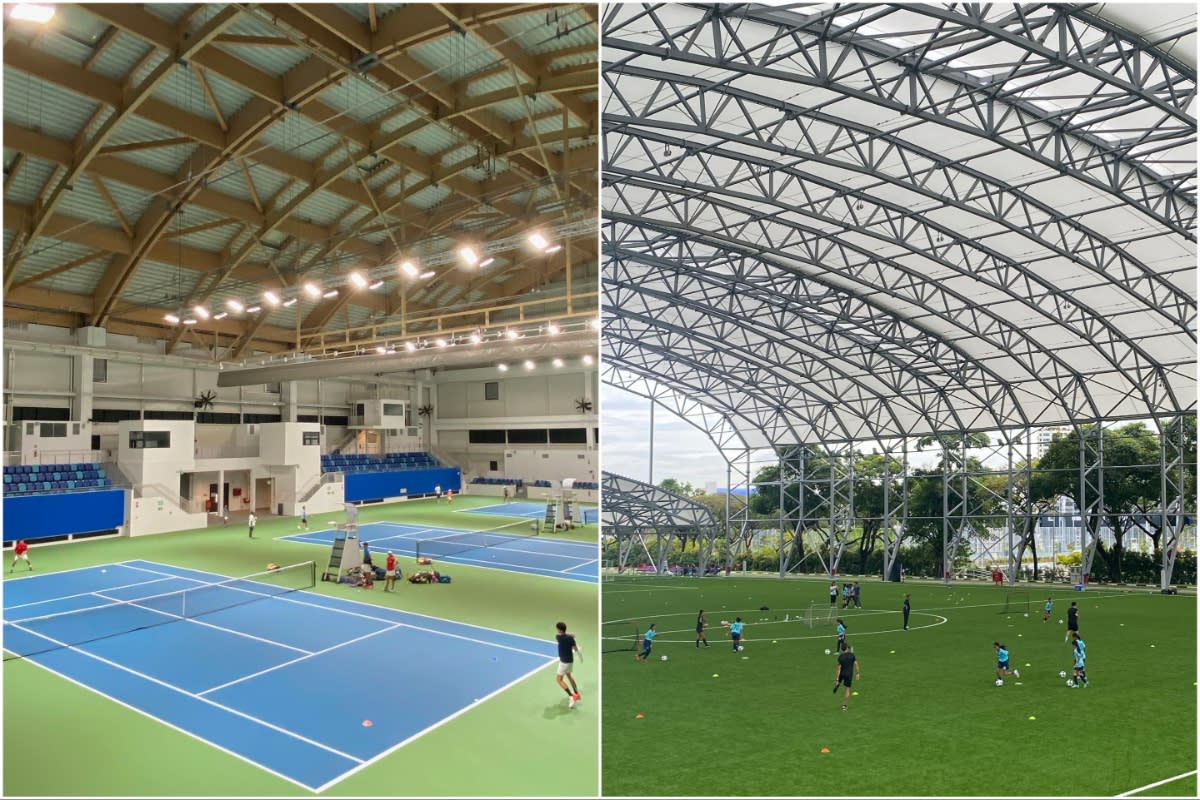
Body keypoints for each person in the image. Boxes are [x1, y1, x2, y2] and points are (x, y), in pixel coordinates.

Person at [555, 621, 583, 708]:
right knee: (569, 676)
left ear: (559, 630)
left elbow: (563, 634)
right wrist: (571, 637)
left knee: (559, 680)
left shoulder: (558, 637)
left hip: (563, 662)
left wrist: (570, 634)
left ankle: (571, 696)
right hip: (570, 661)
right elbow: (575, 649)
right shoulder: (571, 639)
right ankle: (577, 693)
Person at [833, 642, 861, 711]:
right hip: (848, 675)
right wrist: (857, 673)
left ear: (842, 649)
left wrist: (837, 679)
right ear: (847, 648)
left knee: (838, 680)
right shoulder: (852, 655)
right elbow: (856, 664)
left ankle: (838, 683)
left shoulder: (840, 657)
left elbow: (838, 669)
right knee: (847, 689)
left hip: (842, 673)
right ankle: (844, 706)